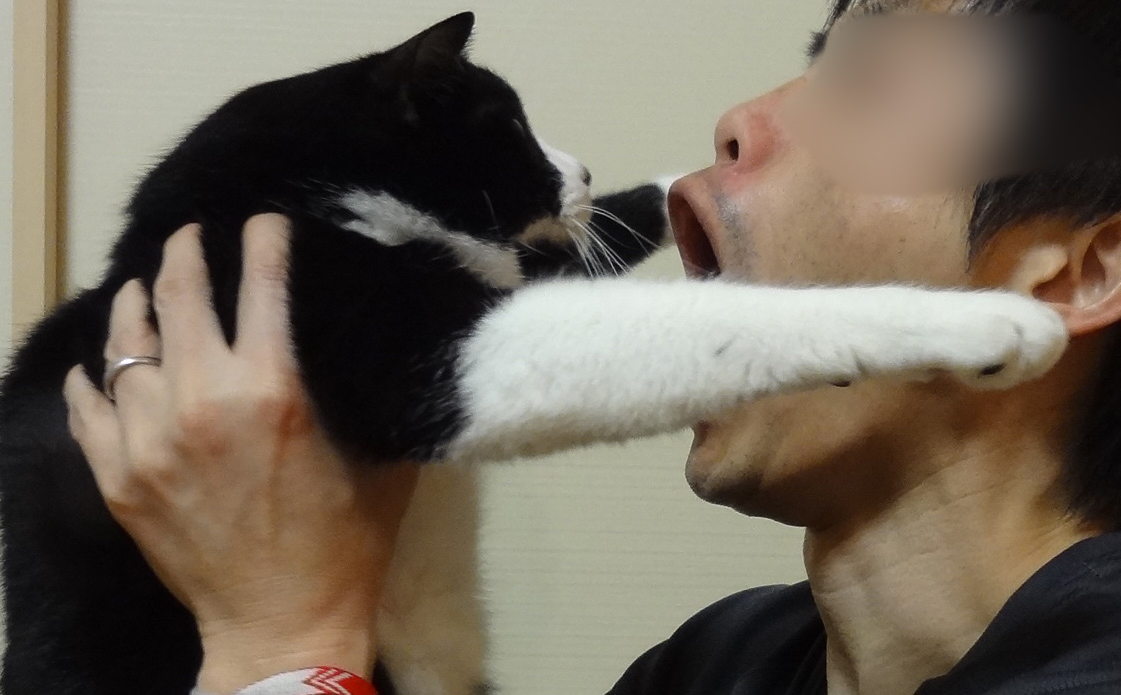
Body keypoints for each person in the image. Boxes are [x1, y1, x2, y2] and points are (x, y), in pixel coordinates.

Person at [63, 0, 1121, 693]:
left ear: (1078, 272)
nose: (739, 121)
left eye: (864, 79)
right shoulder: (716, 667)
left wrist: (288, 643)